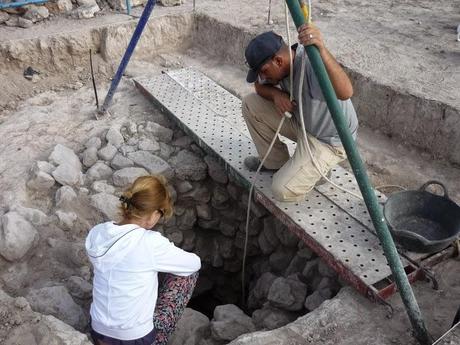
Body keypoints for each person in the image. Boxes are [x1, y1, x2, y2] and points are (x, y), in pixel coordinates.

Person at [242, 24, 358, 202]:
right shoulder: (278, 67)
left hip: (328, 142)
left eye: (264, 72)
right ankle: (275, 163)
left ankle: (316, 172)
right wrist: (275, 94)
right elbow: (259, 87)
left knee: (281, 190)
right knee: (250, 103)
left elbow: (346, 92)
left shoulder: (311, 63)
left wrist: (322, 50)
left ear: (278, 61)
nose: (263, 77)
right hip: (302, 124)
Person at [85, 175, 201, 345]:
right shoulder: (150, 243)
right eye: (161, 213)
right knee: (187, 275)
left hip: (98, 332)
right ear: (154, 214)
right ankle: (158, 332)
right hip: (135, 339)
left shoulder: (97, 232)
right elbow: (194, 263)